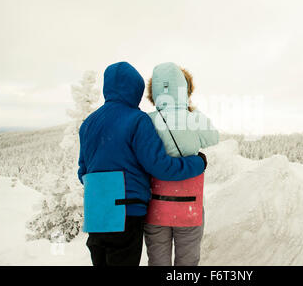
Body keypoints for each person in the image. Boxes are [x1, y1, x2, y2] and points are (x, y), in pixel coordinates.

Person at [77, 61, 207, 266]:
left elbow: (83, 172)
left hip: (96, 214)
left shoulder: (88, 123)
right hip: (126, 212)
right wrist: (197, 163)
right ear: (136, 89)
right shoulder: (137, 120)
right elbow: (159, 166)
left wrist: (104, 192)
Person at [144, 62, 219, 266]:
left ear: (154, 91)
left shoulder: (146, 121)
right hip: (189, 207)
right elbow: (213, 138)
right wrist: (189, 111)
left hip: (156, 206)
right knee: (187, 264)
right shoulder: (193, 118)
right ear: (184, 89)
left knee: (157, 261)